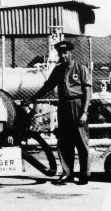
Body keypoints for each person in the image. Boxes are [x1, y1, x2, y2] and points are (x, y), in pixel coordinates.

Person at [31, 40, 92, 185]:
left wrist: (84, 112)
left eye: (65, 53)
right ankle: (67, 173)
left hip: (78, 104)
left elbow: (88, 92)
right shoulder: (58, 70)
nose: (62, 55)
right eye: (60, 53)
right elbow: (48, 86)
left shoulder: (81, 69)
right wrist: (33, 98)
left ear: (70, 53)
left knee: (81, 142)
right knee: (64, 142)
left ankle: (84, 174)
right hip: (63, 105)